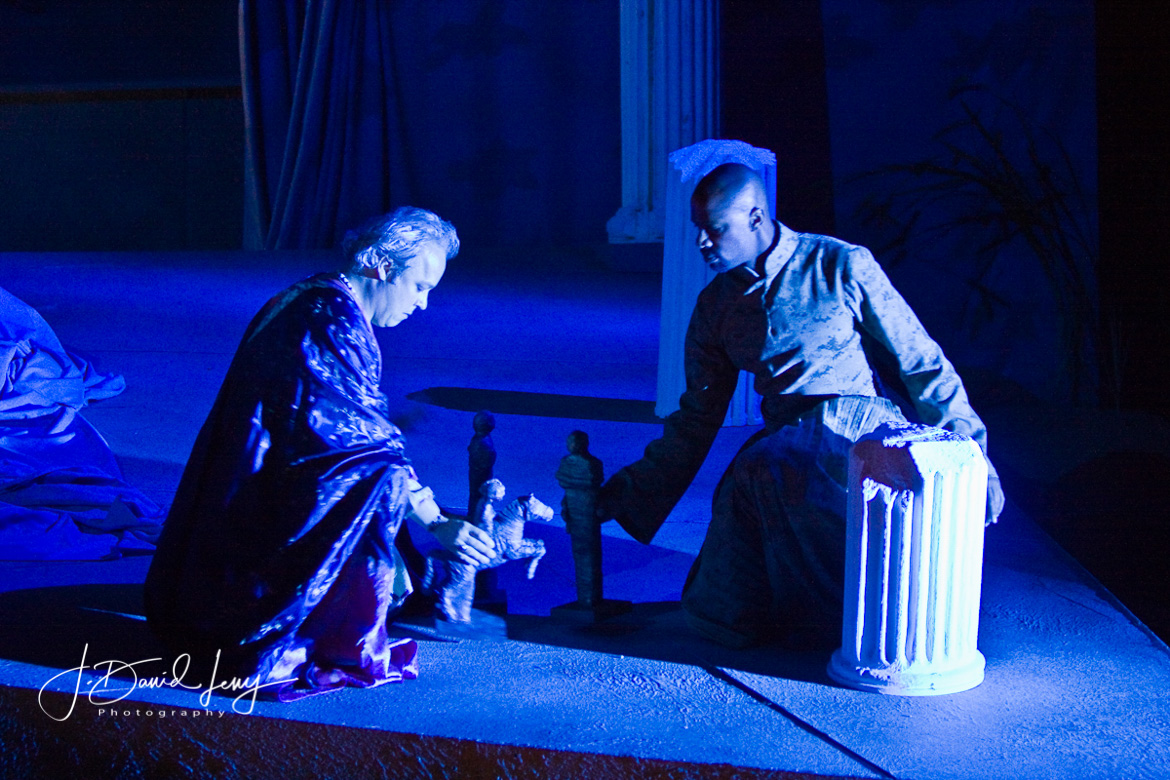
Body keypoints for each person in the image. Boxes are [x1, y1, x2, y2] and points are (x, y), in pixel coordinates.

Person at [598, 163, 1004, 648]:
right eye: (698, 230)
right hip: (782, 440)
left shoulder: (839, 263)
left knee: (773, 470)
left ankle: (855, 621)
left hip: (857, 428)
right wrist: (628, 491)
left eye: (715, 229)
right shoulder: (715, 307)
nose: (702, 243)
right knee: (717, 610)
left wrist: (973, 459)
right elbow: (696, 417)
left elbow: (922, 363)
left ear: (755, 217)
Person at [144, 207, 495, 700]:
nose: (423, 304)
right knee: (374, 490)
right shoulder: (331, 320)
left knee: (381, 493)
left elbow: (343, 432)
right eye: (419, 287)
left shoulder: (311, 299)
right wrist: (435, 521)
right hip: (262, 524)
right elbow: (360, 449)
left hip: (248, 500)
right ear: (380, 265)